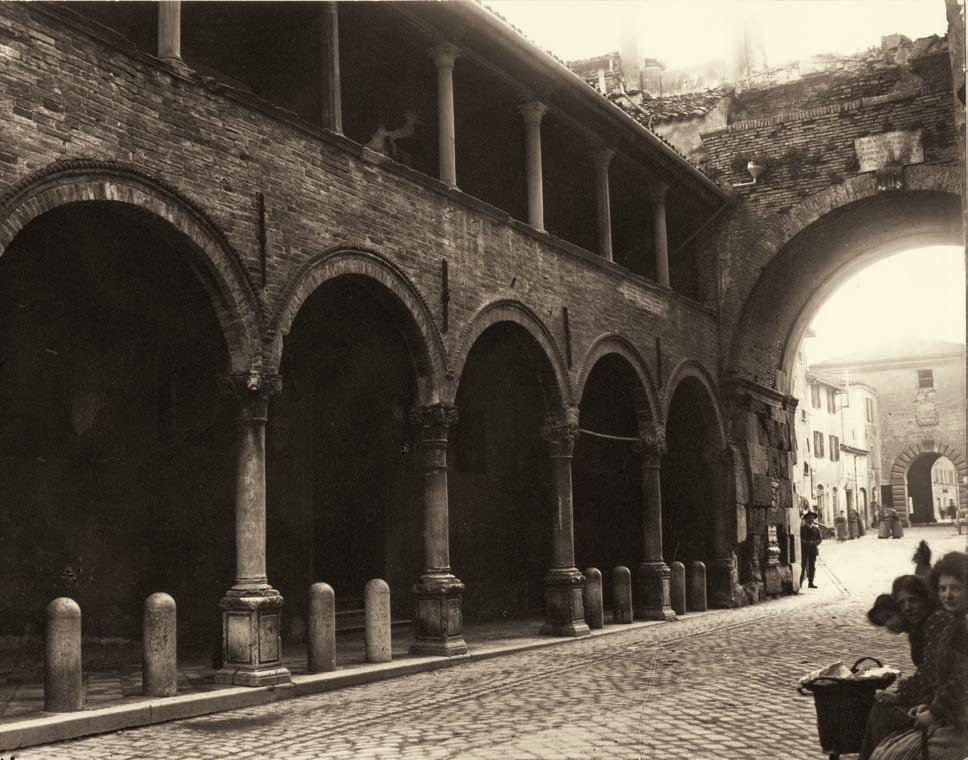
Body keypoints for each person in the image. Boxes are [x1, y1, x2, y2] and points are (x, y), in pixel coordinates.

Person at [868, 552, 968, 760]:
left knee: (888, 753)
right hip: (949, 713)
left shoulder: (947, 623)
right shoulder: (952, 623)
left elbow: (958, 678)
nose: (947, 595)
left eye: (955, 589)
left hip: (958, 723)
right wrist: (930, 704)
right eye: (943, 589)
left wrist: (932, 711)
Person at [799, 510, 822, 589]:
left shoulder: (816, 529)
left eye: (812, 518)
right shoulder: (802, 529)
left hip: (813, 550)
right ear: (806, 519)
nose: (811, 520)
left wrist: (813, 543)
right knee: (803, 566)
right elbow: (799, 539)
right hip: (804, 550)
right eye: (809, 518)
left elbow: (820, 539)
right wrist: (806, 543)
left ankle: (811, 582)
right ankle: (800, 582)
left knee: (812, 566)